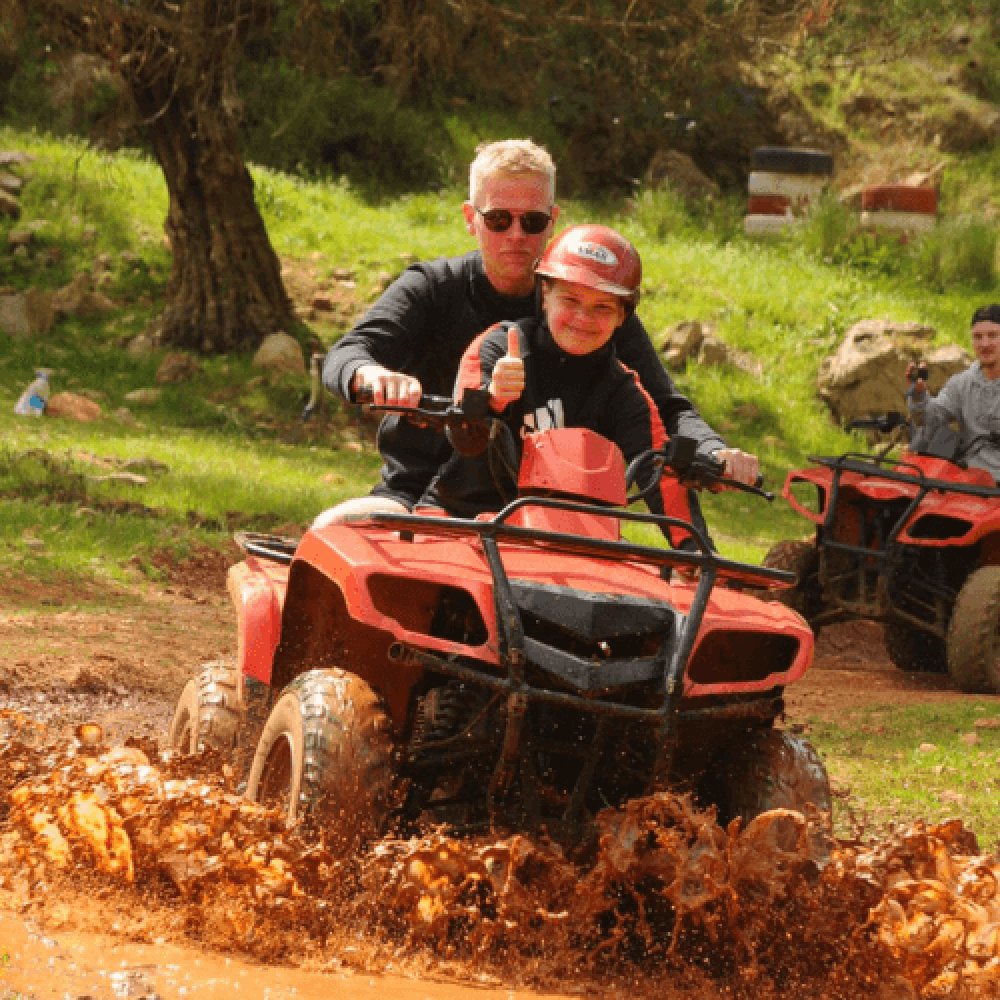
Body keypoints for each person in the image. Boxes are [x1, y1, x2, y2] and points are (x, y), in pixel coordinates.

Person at [313, 138, 758, 528]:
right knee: (343, 540)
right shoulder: (432, 288)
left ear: (552, 221)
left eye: (532, 222)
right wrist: (370, 376)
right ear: (471, 218)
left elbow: (663, 404)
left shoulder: (586, 306)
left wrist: (714, 453)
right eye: (498, 219)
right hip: (418, 500)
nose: (516, 236)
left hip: (552, 515)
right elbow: (348, 352)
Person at [418, 224, 706, 544]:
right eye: (571, 300)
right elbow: (464, 437)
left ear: (622, 317)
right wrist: (494, 398)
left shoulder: (625, 389)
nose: (583, 318)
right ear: (545, 295)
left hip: (568, 541)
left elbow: (660, 475)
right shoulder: (499, 345)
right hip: (461, 523)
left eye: (602, 307)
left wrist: (695, 550)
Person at [906, 303, 1000, 482]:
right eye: (978, 337)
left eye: (993, 335)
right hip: (969, 480)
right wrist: (919, 395)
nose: (985, 344)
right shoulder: (961, 383)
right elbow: (931, 420)